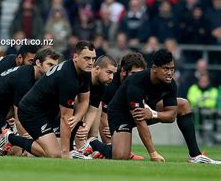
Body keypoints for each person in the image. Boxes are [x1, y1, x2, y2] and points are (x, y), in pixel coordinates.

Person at [84, 49, 221, 164]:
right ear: (155, 68)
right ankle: (92, 142)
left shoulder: (170, 83)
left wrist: (153, 114)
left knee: (183, 104)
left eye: (172, 69)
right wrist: (153, 153)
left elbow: (172, 115)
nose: (169, 73)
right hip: (121, 115)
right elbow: (140, 120)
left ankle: (195, 155)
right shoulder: (136, 82)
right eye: (166, 69)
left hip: (147, 109)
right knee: (120, 156)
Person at [0, 48, 60, 154]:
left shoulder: (29, 74)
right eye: (50, 65)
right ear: (38, 63)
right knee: (14, 151)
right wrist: (27, 140)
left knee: (0, 150)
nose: (53, 70)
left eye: (55, 66)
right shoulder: (25, 78)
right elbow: (20, 117)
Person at [11, 41, 95, 158]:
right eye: (87, 58)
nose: (91, 62)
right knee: (55, 154)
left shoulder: (85, 71)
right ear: (75, 57)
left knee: (51, 151)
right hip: (32, 112)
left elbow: (84, 100)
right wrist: (66, 153)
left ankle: (30, 152)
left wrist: (78, 116)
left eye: (93, 59)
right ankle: (11, 139)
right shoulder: (67, 77)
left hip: (48, 112)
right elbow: (65, 118)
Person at [72, 56, 117, 153]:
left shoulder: (101, 85)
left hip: (78, 115)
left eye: (113, 73)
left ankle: (91, 141)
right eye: (109, 72)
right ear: (97, 69)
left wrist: (86, 128)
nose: (111, 77)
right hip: (59, 113)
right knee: (80, 101)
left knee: (97, 106)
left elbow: (93, 109)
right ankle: (77, 145)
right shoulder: (83, 78)